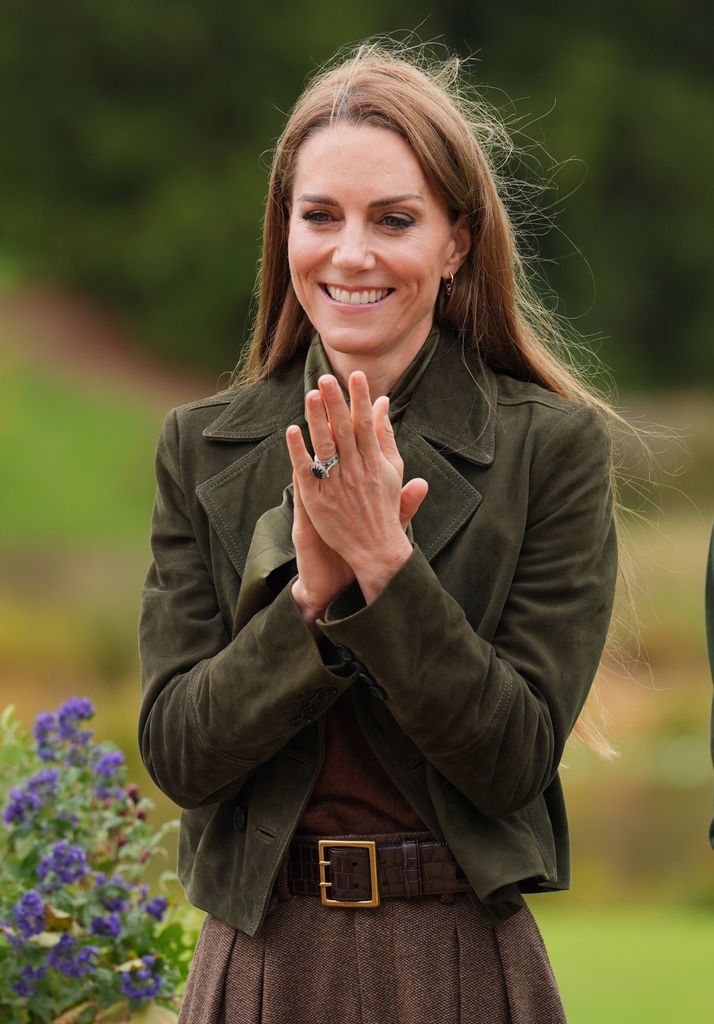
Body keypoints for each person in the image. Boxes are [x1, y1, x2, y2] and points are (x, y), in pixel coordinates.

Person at [138, 42, 618, 1023]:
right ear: (285, 234)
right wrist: (308, 601)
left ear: (454, 243)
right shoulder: (199, 448)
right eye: (320, 216)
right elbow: (178, 753)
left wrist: (388, 573)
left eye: (393, 220)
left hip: (460, 958)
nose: (350, 253)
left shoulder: (553, 451)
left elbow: (514, 758)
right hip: (261, 960)